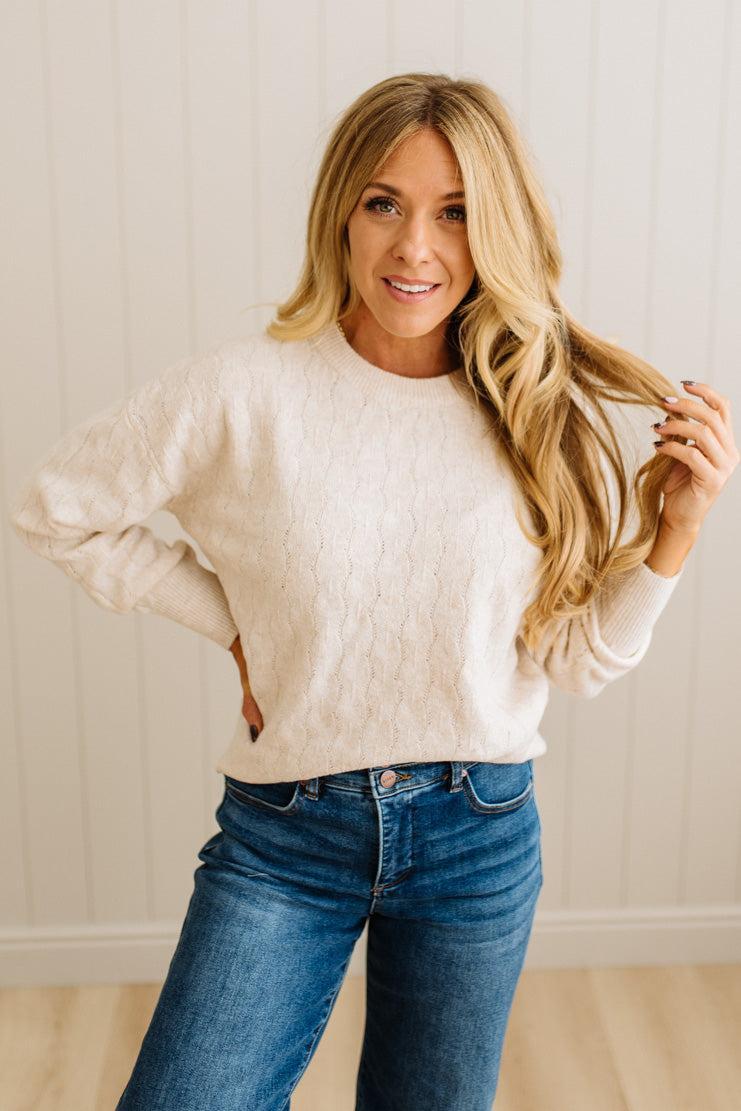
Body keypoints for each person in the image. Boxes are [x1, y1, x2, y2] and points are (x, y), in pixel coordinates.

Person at [9, 72, 737, 1110]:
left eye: (456, 214)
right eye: (384, 203)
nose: (415, 250)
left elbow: (576, 660)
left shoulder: (535, 409)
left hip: (476, 835)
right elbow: (57, 508)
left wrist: (679, 531)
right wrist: (230, 624)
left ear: (498, 232)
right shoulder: (245, 393)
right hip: (285, 836)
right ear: (340, 211)